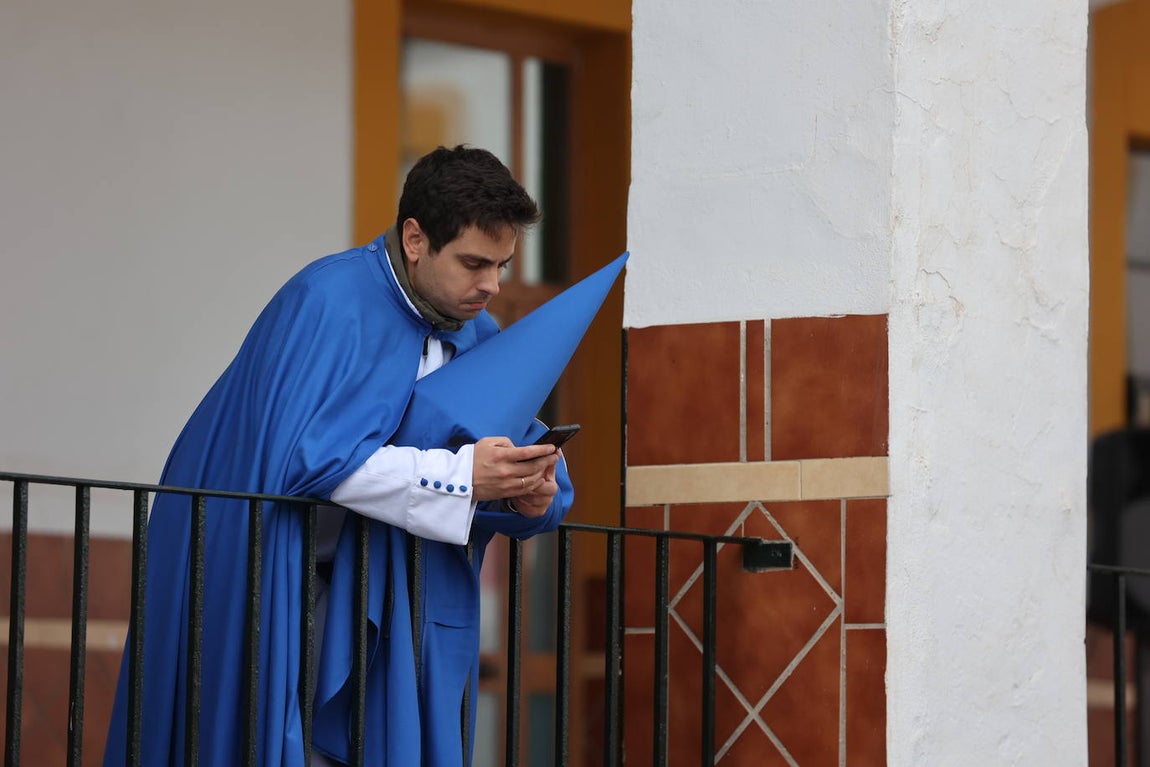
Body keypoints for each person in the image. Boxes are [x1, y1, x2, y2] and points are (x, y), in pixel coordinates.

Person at [103, 145, 575, 767]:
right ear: (414, 238)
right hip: (271, 571)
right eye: (473, 263)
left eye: (502, 265)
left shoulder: (476, 331)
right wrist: (463, 476)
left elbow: (503, 444)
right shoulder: (327, 300)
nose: (490, 284)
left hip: (385, 592)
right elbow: (308, 457)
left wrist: (531, 491)